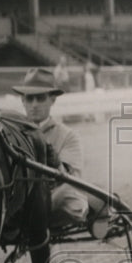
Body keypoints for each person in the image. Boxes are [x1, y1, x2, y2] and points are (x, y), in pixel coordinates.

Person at [13, 68, 108, 236]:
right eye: (29, 98)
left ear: (52, 100)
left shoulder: (68, 136)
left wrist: (55, 162)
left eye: (41, 98)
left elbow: (72, 180)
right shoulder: (12, 132)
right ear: (22, 100)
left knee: (71, 195)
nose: (34, 104)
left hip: (52, 199)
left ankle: (94, 205)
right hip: (18, 199)